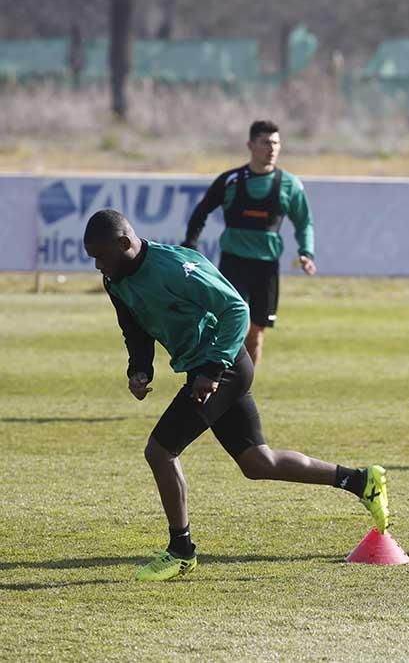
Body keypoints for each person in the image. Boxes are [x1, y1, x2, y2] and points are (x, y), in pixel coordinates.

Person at [85, 209, 388, 581]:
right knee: (259, 463)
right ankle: (360, 480)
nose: (98, 265)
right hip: (207, 371)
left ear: (124, 243)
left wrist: (212, 370)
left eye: (101, 256)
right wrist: (140, 369)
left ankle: (181, 551)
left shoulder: (177, 267)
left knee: (160, 450)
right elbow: (134, 327)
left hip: (223, 368)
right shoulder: (116, 280)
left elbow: (236, 309)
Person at [182, 120, 317, 365]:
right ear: (250, 144)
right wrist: (190, 246)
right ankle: (220, 379)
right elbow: (201, 212)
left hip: (266, 268)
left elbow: (304, 222)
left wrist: (306, 252)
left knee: (255, 334)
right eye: (265, 142)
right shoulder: (230, 180)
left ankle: (243, 388)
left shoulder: (290, 185)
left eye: (276, 142)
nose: (272, 148)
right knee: (234, 324)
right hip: (234, 263)